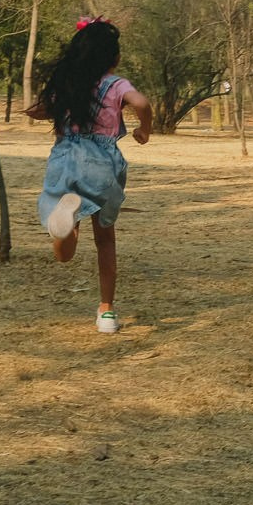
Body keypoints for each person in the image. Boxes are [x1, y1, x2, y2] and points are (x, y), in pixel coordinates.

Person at [32, 17, 152, 333]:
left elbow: (39, 109)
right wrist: (145, 129)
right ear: (114, 58)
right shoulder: (116, 85)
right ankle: (107, 311)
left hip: (66, 158)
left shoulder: (68, 82)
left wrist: (41, 111)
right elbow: (142, 102)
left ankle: (63, 227)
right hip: (102, 165)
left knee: (65, 252)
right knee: (105, 239)